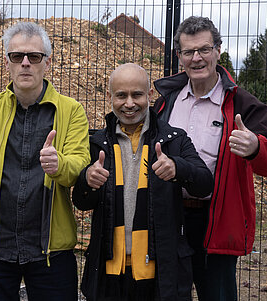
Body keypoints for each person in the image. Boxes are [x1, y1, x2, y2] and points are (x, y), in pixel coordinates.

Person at [153, 16, 267, 300]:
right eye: (189, 51)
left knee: (217, 294)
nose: (197, 58)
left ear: (218, 50)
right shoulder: (165, 101)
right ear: (179, 56)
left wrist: (255, 147)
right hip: (169, 216)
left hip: (216, 219)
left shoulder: (243, 103)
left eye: (204, 49)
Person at [0, 21, 90, 301]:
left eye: (34, 57)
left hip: (50, 250)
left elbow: (79, 166)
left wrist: (59, 165)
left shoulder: (71, 110)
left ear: (47, 63)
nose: (25, 63)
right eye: (17, 56)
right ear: (7, 63)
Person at [73, 63, 214, 301]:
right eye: (121, 95)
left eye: (137, 94)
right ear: (110, 97)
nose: (129, 103)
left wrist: (178, 168)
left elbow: (205, 184)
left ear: (149, 95)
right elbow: (81, 201)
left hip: (161, 271)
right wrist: (87, 180)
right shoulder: (96, 143)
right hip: (109, 270)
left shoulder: (174, 140)